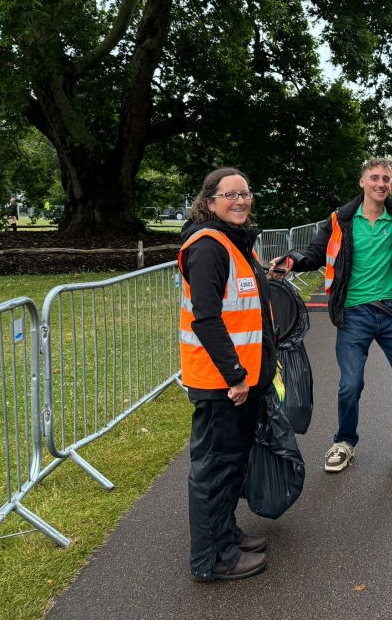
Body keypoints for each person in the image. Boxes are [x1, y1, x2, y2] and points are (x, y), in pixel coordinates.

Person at [270, 149, 392, 472]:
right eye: (374, 177)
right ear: (362, 182)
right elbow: (316, 253)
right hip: (354, 314)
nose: (381, 183)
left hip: (391, 313)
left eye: (386, 178)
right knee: (350, 384)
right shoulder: (341, 220)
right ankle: (344, 442)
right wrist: (291, 260)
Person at [178, 167, 277, 581]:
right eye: (230, 195)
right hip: (221, 383)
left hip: (242, 380)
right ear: (211, 201)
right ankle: (213, 559)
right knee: (213, 470)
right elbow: (206, 318)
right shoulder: (207, 246)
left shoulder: (234, 242)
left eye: (245, 193)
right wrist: (235, 375)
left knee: (231, 465)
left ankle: (226, 534)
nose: (240, 201)